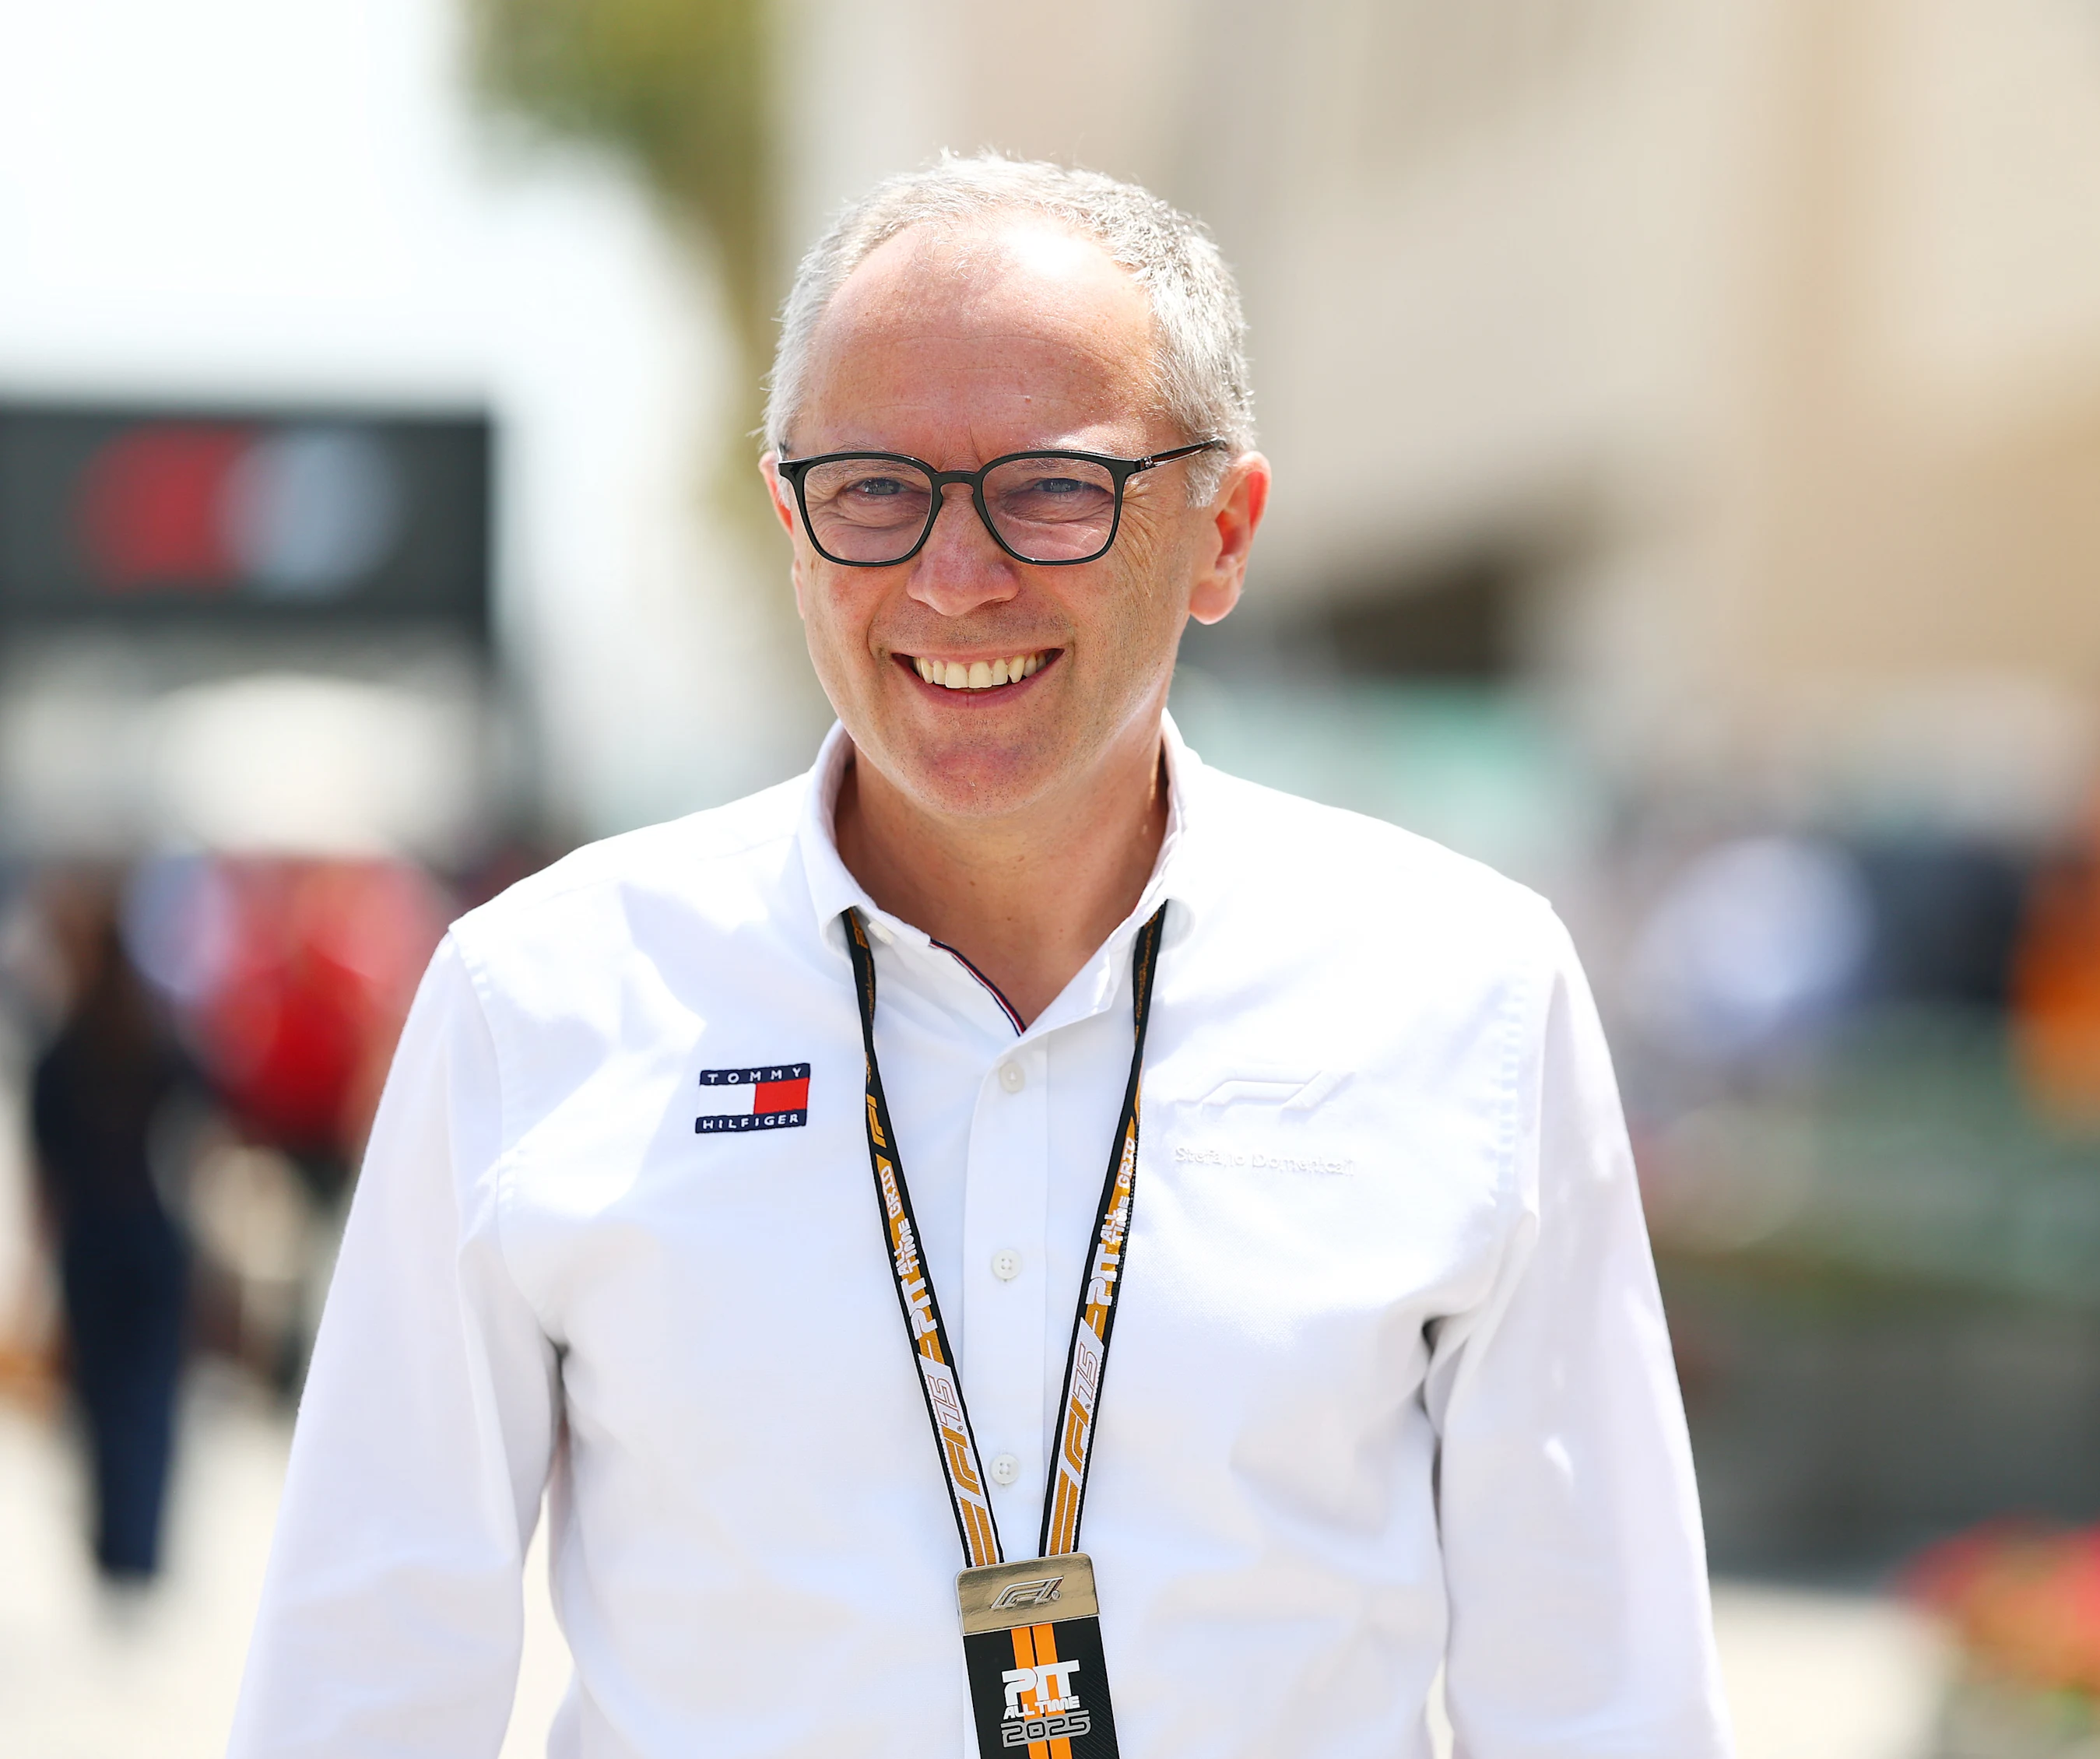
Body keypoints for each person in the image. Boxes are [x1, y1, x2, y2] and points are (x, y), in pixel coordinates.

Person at [229, 155, 1727, 1758]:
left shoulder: (1467, 994)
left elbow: (1600, 1698)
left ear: (1222, 533)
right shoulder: (535, 1000)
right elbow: (362, 1681)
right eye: (874, 489)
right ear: (792, 525)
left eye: (1053, 488)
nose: (955, 577)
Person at [28, 874, 195, 1583]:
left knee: (101, 1400)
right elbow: (205, 1113)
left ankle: (114, 1546)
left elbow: (47, 1177)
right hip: (152, 1232)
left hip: (94, 1242)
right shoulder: (155, 1034)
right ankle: (141, 1545)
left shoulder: (62, 1051)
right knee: (149, 1397)